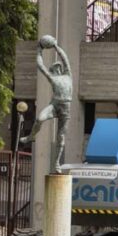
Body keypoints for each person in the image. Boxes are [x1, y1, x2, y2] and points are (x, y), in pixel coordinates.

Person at [21, 35, 72, 174]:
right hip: (55, 104)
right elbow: (40, 65)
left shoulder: (68, 75)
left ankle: (57, 163)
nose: (58, 68)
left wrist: (56, 46)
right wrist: (39, 50)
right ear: (53, 70)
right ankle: (31, 136)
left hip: (66, 107)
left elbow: (65, 59)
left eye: (59, 67)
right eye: (55, 67)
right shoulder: (52, 78)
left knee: (61, 137)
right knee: (39, 119)